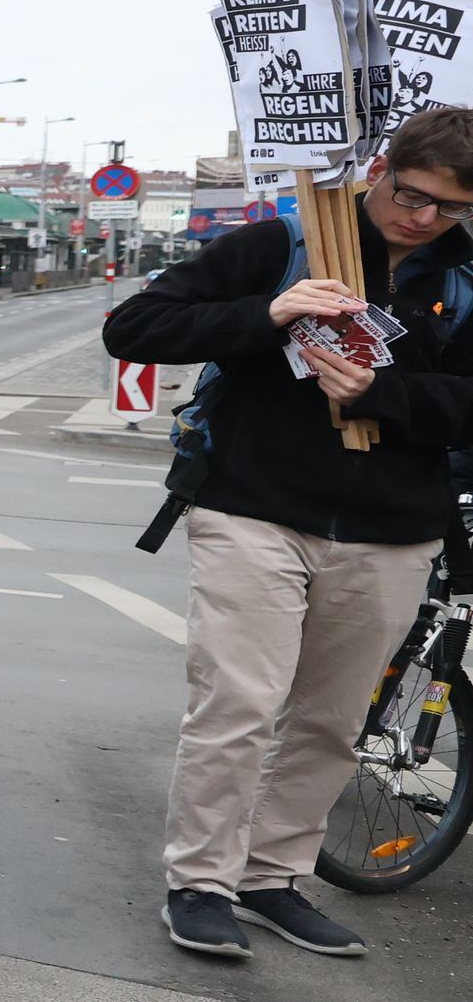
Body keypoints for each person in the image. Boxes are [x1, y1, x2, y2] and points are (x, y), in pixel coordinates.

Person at [100, 114, 473, 958]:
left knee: (332, 720)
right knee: (238, 702)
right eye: (411, 194)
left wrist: (385, 394)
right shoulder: (286, 239)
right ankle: (199, 882)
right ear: (381, 167)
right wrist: (266, 312)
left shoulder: (467, 276)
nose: (421, 217)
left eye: (448, 208)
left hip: (392, 528)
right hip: (251, 506)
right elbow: (136, 329)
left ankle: (272, 877)